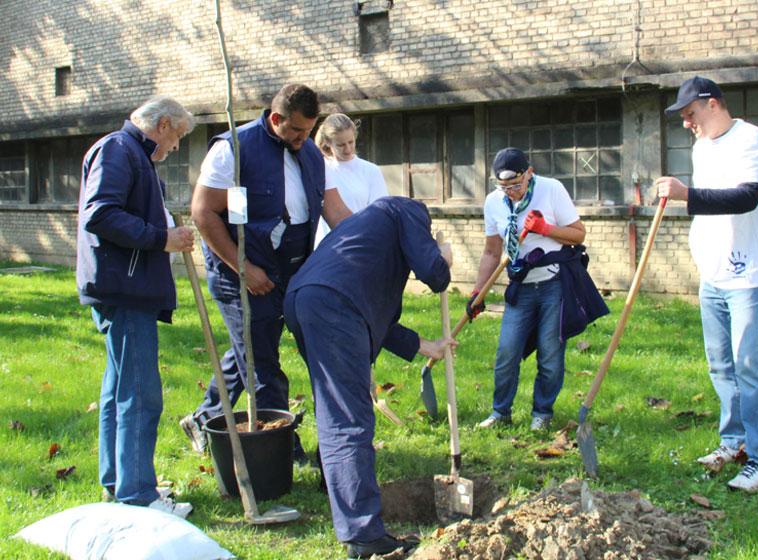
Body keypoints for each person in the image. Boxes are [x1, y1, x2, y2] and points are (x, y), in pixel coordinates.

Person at [180, 84, 351, 459]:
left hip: (293, 266)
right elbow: (203, 213)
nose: (305, 139)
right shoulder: (233, 149)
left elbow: (335, 211)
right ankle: (282, 447)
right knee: (263, 363)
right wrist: (242, 268)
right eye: (298, 131)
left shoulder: (310, 153)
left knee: (251, 346)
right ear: (276, 119)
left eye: (310, 131)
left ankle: (204, 416)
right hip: (241, 269)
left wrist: (371, 238)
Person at [283, 196, 456, 559]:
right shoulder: (405, 209)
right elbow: (435, 274)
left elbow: (383, 321)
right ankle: (363, 534)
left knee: (336, 408)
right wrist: (445, 257)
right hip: (334, 304)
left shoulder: (367, 238)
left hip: (304, 299)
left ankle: (339, 493)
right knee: (349, 417)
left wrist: (430, 346)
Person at [656, 76, 758, 492]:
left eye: (690, 114)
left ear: (711, 104)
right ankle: (734, 441)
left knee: (749, 365)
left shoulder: (753, 141)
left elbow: (747, 196)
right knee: (721, 364)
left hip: (748, 273)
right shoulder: (702, 146)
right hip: (713, 272)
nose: (687, 123)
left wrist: (685, 194)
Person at [76, 96, 195, 518]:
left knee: (120, 389)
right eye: (178, 136)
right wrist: (161, 238)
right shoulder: (118, 149)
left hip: (127, 289)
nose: (176, 147)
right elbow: (100, 214)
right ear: (162, 125)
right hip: (124, 292)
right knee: (140, 394)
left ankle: (118, 481)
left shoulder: (134, 157)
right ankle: (139, 494)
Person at [468, 147, 588, 432]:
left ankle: (542, 414)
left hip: (554, 284)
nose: (510, 192)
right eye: (503, 187)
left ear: (529, 173)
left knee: (549, 353)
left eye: (515, 185)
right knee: (507, 351)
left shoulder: (551, 190)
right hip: (520, 287)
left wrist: (546, 229)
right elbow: (491, 252)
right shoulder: (493, 202)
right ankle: (500, 413)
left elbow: (578, 233)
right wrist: (477, 292)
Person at [313, 113, 389, 246]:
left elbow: (379, 216)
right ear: (327, 142)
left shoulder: (371, 171)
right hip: (325, 247)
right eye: (340, 145)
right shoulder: (319, 168)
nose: (347, 149)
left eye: (351, 142)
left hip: (359, 246)